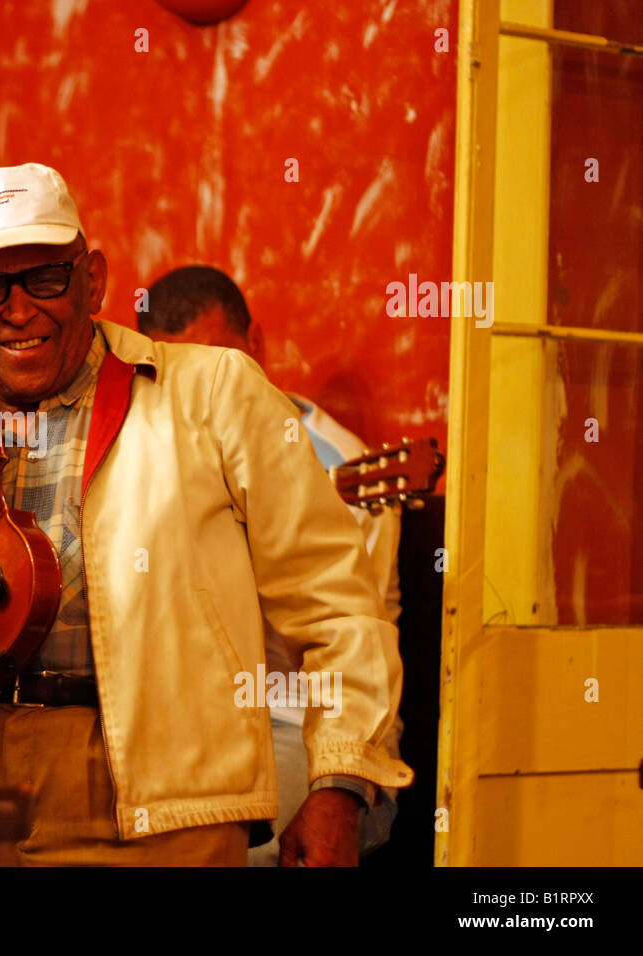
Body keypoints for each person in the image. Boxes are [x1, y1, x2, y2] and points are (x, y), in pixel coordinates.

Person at [0, 162, 413, 865]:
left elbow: (338, 607)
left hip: (168, 798)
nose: (18, 309)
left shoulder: (215, 393)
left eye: (45, 277)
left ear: (92, 279)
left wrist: (340, 781)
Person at [139, 265, 404, 865]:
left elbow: (339, 640)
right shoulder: (145, 453)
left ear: (255, 343)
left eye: (220, 361)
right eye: (182, 374)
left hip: (296, 714)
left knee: (225, 849)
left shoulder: (338, 462)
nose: (203, 390)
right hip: (190, 721)